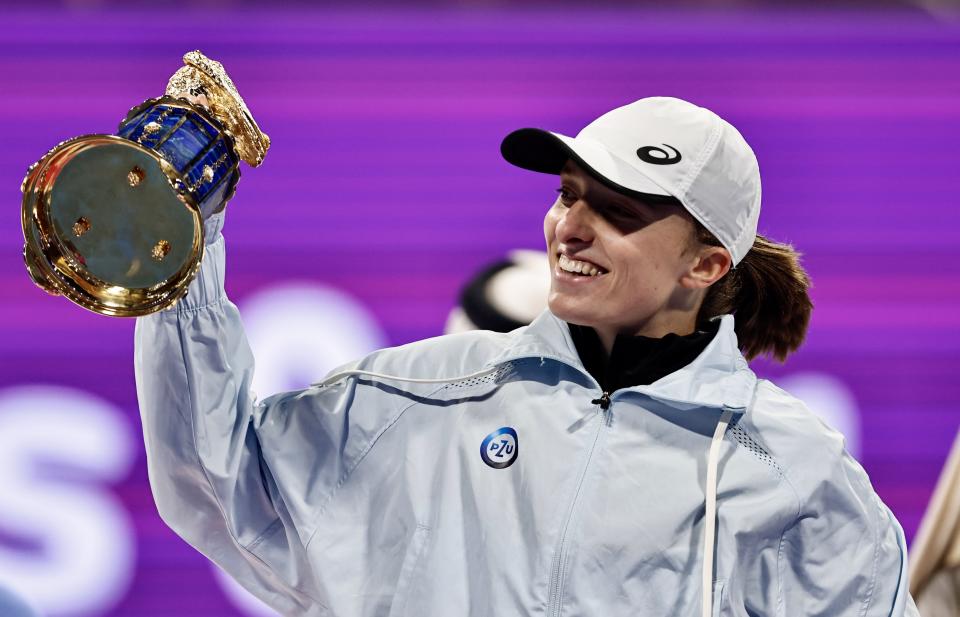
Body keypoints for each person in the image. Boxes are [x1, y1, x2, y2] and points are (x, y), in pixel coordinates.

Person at [135, 96, 919, 616]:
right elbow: (215, 479)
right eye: (568, 193)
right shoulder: (421, 397)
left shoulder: (791, 469)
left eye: (616, 210)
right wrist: (179, 254)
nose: (570, 226)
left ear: (705, 264)